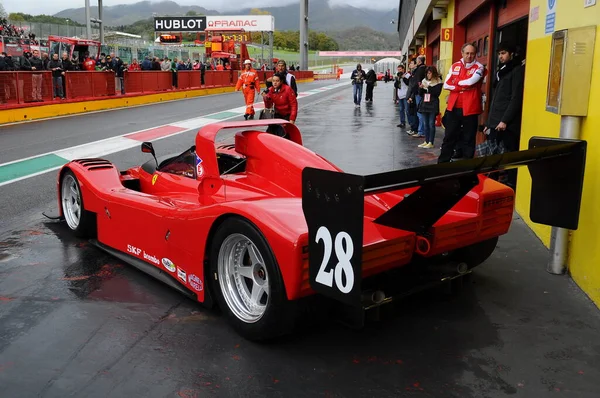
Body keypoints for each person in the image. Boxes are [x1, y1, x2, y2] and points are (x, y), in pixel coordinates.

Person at [480, 42, 525, 188]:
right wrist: (488, 123)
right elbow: (496, 101)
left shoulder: (516, 70)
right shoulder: (501, 72)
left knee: (508, 155)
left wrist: (505, 120)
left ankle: (510, 184)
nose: (501, 56)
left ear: (511, 54)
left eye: (504, 53)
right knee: (493, 155)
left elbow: (515, 98)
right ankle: (491, 183)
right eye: (499, 53)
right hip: (495, 121)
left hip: (507, 124)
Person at [438, 44, 486, 163]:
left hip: (470, 108)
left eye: (472, 54)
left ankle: (467, 165)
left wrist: (456, 84)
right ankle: (442, 163)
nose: (469, 56)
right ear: (462, 53)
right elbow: (446, 84)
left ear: (475, 54)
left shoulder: (479, 67)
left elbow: (470, 82)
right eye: (467, 53)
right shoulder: (455, 66)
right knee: (449, 136)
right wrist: (462, 87)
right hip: (453, 108)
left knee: (469, 138)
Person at [416, 66, 443, 149]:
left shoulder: (438, 81)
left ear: (433, 73)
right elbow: (420, 94)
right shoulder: (424, 81)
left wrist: (428, 87)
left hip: (433, 103)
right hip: (425, 103)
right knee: (425, 123)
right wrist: (421, 88)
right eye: (427, 73)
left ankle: (431, 142)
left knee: (431, 123)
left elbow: (436, 93)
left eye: (430, 73)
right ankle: (426, 141)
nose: (428, 75)